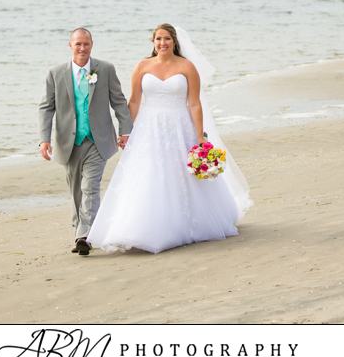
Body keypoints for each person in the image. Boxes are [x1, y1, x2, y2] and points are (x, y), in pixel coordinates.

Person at [88, 24, 252, 254]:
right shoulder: (142, 66)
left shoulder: (187, 66)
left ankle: (183, 225)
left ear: (174, 41)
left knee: (180, 175)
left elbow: (194, 103)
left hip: (180, 127)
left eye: (166, 39)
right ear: (153, 41)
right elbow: (134, 101)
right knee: (148, 173)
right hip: (149, 128)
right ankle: (143, 228)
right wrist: (125, 131)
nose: (162, 43)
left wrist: (199, 137)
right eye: (158, 39)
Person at [38, 28, 133, 256]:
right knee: (76, 192)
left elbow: (119, 102)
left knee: (90, 187)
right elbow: (46, 107)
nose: (82, 48)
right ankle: (79, 233)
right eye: (78, 44)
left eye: (86, 43)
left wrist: (125, 131)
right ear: (70, 45)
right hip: (68, 142)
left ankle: (85, 236)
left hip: (98, 140)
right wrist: (44, 139)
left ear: (92, 44)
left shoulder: (105, 69)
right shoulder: (55, 73)